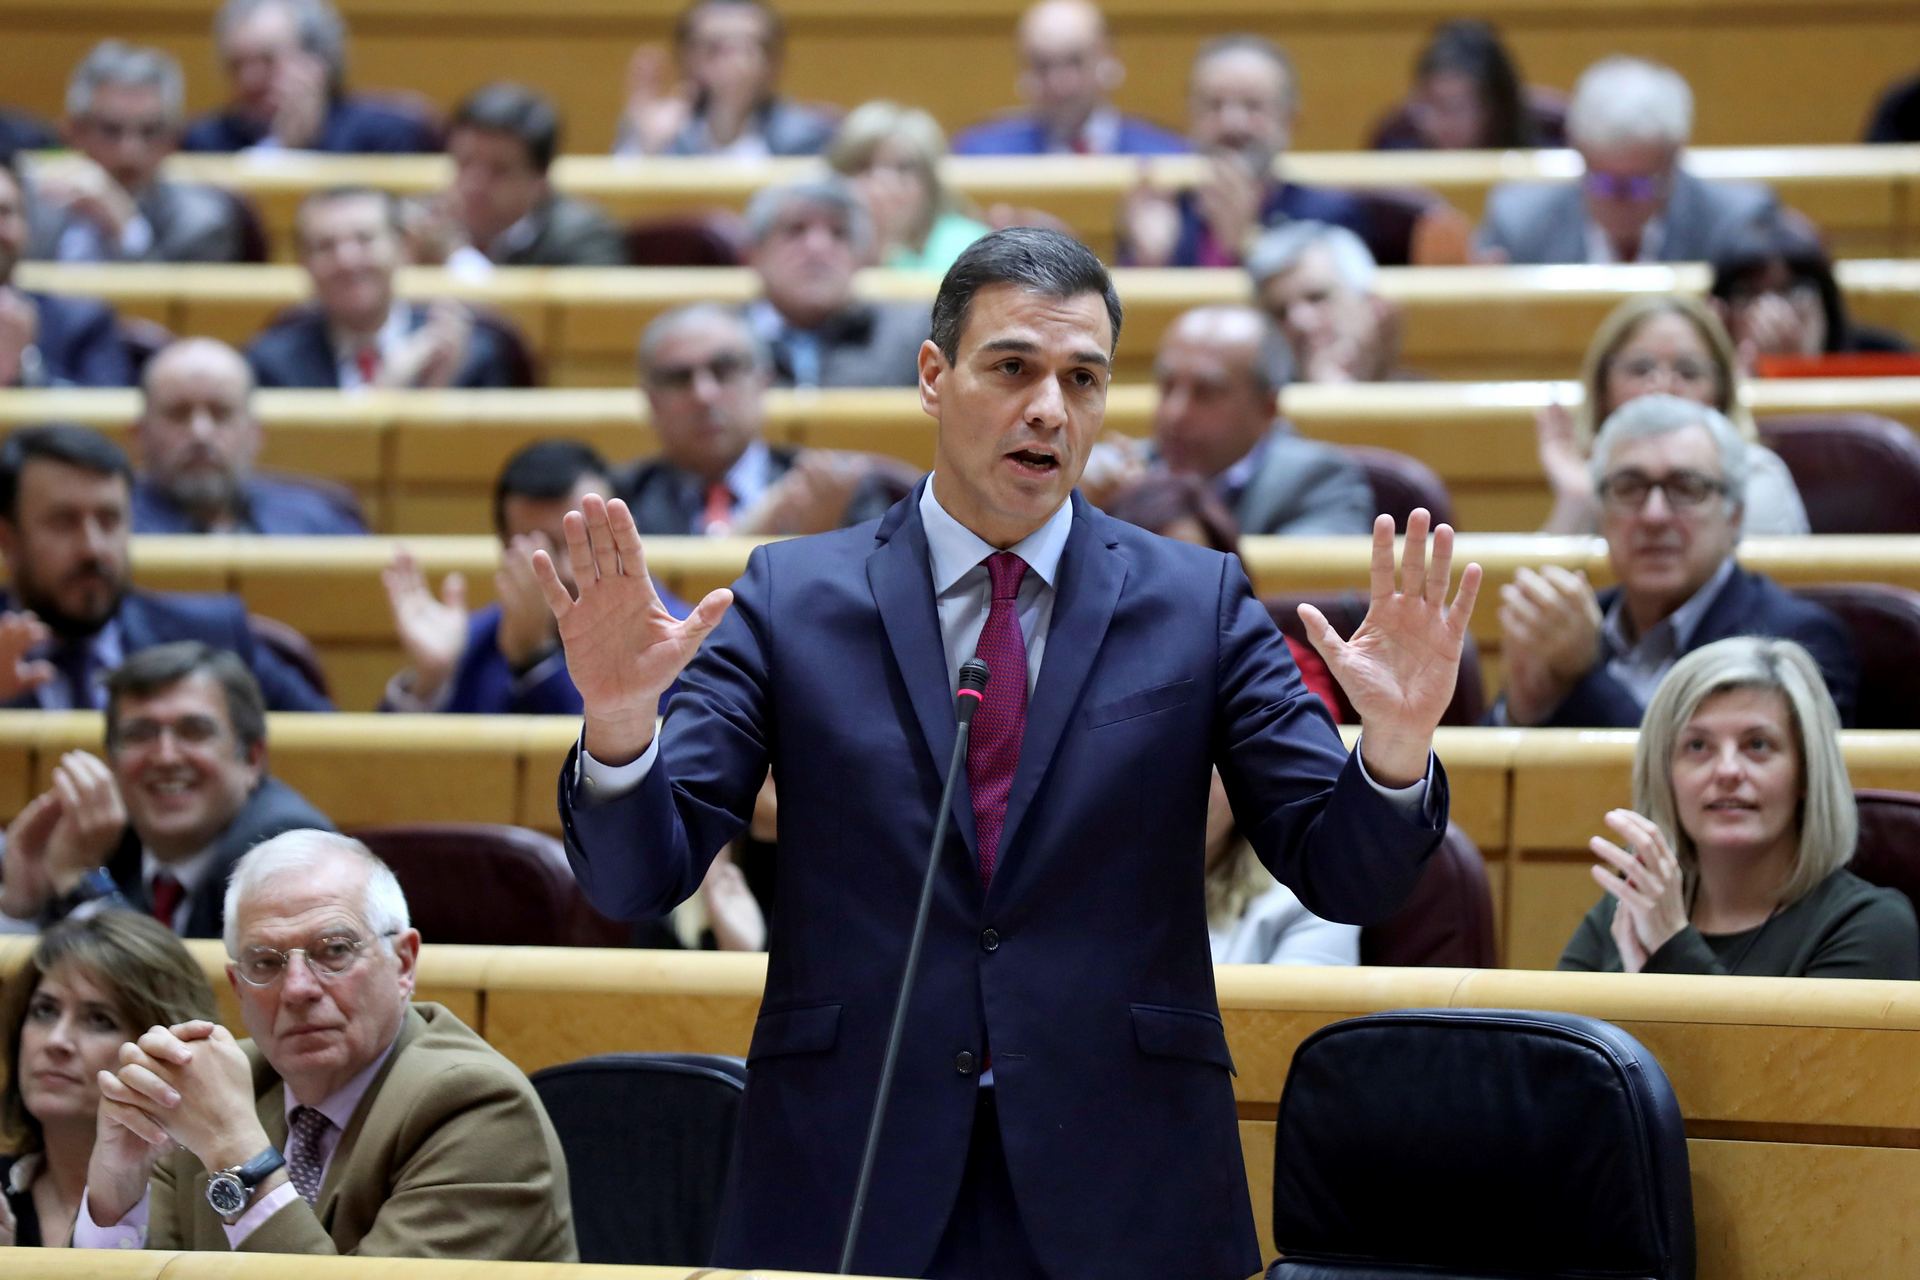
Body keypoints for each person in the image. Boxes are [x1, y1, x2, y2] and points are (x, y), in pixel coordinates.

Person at [536, 226, 1479, 1279]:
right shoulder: (792, 596)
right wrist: (621, 724)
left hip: (1124, 1173)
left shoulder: (1196, 603)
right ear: (934, 375)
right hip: (851, 1166)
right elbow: (636, 873)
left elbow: (1345, 869)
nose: (1050, 409)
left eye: (1083, 378)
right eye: (1014, 367)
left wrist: (1393, 744)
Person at [72, 830, 578, 1258]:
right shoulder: (206, 1086)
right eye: (266, 963)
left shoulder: (479, 1109)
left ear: (403, 964)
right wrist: (117, 1194)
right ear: (238, 986)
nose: (296, 989)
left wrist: (238, 1155)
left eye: (334, 951)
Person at [1559, 636, 1917, 977]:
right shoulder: (1634, 904)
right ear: (1666, 776)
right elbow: (1552, 1037)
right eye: (1698, 746)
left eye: (1757, 745)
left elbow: (1773, 1046)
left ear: (1806, 772)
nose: (1727, 770)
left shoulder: (1869, 925)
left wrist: (1671, 945)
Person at [1497, 395, 1856, 730]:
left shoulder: (1794, 641)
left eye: (1686, 488)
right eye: (1629, 487)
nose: (1654, 515)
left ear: (1734, 516)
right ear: (1601, 514)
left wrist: (1586, 676)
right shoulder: (1576, 624)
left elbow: (1697, 783)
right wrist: (1522, 708)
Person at [0, 641, 334, 934]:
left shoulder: (281, 845)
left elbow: (176, 996)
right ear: (113, 762)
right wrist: (22, 907)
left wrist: (82, 882)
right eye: (140, 733)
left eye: (194, 731)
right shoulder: (106, 837)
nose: (165, 757)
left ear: (252, 758)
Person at [0, 426, 332, 712]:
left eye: (109, 520)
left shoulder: (209, 635)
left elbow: (338, 758)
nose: (93, 547)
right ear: (7, 537)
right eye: (63, 523)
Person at [382, 440, 690, 714]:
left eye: (585, 541)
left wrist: (535, 662)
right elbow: (377, 774)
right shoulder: (467, 644)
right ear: (507, 552)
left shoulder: (683, 641)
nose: (569, 570)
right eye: (542, 549)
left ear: (626, 533)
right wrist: (429, 682)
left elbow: (618, 768)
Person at [0, 911, 220, 1247]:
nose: (56, 1041)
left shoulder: (206, 1207)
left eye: (99, 1020)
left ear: (162, 1049)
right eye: (44, 1011)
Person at [625, 302, 912, 534]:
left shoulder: (837, 495)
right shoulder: (620, 502)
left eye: (724, 369)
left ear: (763, 382)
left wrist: (822, 546)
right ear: (651, 400)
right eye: (678, 378)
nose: (704, 394)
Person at [1535, 294, 1808, 537]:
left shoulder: (1755, 478)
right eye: (1641, 369)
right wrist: (1578, 500)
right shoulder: (1590, 473)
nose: (1663, 388)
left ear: (1720, 395)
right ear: (1603, 391)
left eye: (1688, 372)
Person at [1476, 56, 1774, 265]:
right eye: (1604, 183)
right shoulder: (1519, 224)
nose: (1620, 203)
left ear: (1673, 159)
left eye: (1639, 185)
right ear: (1579, 152)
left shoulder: (1735, 225)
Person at [1118, 36, 1370, 269]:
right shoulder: (1162, 208)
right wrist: (1149, 261)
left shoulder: (1327, 214)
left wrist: (1249, 246)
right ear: (1190, 116)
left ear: (1290, 119)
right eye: (1214, 105)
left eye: (1253, 106)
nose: (1232, 123)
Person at [245, 187, 525, 390]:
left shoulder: (473, 355)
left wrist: (437, 390)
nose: (347, 261)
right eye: (325, 246)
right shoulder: (271, 365)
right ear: (304, 263)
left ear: (403, 249)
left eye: (364, 240)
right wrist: (388, 384)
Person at [27, 42, 248, 264]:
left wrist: (127, 229)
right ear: (74, 134)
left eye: (150, 132)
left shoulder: (201, 224)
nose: (129, 153)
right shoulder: (30, 212)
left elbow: (166, 298)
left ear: (174, 139)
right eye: (111, 130)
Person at [132, 338, 366, 535]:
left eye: (221, 413)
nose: (200, 432)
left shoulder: (320, 523)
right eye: (178, 414)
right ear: (140, 433)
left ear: (255, 433)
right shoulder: (111, 530)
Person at [409, 83, 625, 273]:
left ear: (541, 178)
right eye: (464, 163)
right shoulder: (420, 222)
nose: (474, 184)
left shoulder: (583, 237)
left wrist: (458, 259)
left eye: (499, 170)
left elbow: (584, 318)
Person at [182, 0, 439, 154]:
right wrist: (280, 149)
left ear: (319, 61)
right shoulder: (205, 140)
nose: (249, 79)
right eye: (236, 65)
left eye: (268, 61)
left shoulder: (384, 134)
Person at [742, 179, 928, 389]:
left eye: (839, 233)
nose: (817, 247)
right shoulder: (719, 339)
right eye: (795, 230)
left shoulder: (913, 341)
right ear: (755, 254)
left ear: (861, 259)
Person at [951, 0, 1187, 157]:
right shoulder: (982, 155)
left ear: (1108, 61)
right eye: (1042, 65)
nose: (1058, 83)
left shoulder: (1166, 155)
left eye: (1074, 61)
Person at [614, 0, 835, 158]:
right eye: (715, 48)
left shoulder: (808, 132)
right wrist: (644, 148)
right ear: (687, 56)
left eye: (748, 47)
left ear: (773, 60)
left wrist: (733, 108)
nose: (732, 62)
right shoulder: (663, 128)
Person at [1708, 211, 1913, 373]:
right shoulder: (1699, 378)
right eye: (1749, 294)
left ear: (1825, 301)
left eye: (1793, 292)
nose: (1773, 313)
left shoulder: (1890, 359)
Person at [0, 151, 133, 389]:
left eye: (4, 213)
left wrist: (26, 368)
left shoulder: (82, 321)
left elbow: (105, 416)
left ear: (28, 226)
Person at [826, 102, 989, 274]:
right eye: (864, 166)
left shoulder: (965, 245)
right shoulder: (816, 240)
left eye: (903, 168)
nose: (883, 184)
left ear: (930, 184)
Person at [1247, 221, 1406, 384]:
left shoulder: (1426, 398)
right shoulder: (1258, 406)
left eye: (1316, 297)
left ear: (1373, 307)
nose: (1299, 321)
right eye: (1280, 312)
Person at [1369, 19, 1558, 151]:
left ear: (1494, 105)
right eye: (1426, 104)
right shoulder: (1397, 137)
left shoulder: (1551, 131)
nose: (1436, 122)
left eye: (1453, 107)